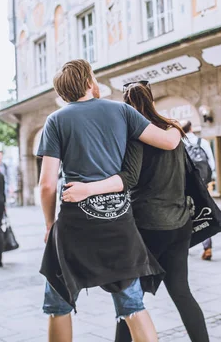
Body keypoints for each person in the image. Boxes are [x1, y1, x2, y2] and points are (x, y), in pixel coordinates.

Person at [37, 59, 182, 342]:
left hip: (74, 224)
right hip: (118, 221)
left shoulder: (56, 120)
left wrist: (49, 224)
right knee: (132, 305)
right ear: (90, 82)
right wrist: (175, 127)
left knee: (59, 304)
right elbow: (168, 142)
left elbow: (46, 184)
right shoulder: (122, 111)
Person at [63, 81, 210, 342]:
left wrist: (89, 187)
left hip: (149, 225)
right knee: (181, 292)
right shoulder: (171, 129)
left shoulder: (134, 135)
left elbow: (128, 178)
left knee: (130, 298)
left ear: (128, 107)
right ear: (151, 99)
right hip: (179, 222)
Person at [182, 120, 216, 261]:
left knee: (184, 215)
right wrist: (210, 179)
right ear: (191, 128)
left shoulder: (179, 144)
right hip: (202, 184)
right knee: (203, 212)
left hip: (185, 185)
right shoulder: (203, 142)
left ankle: (184, 247)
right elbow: (212, 164)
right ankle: (207, 247)